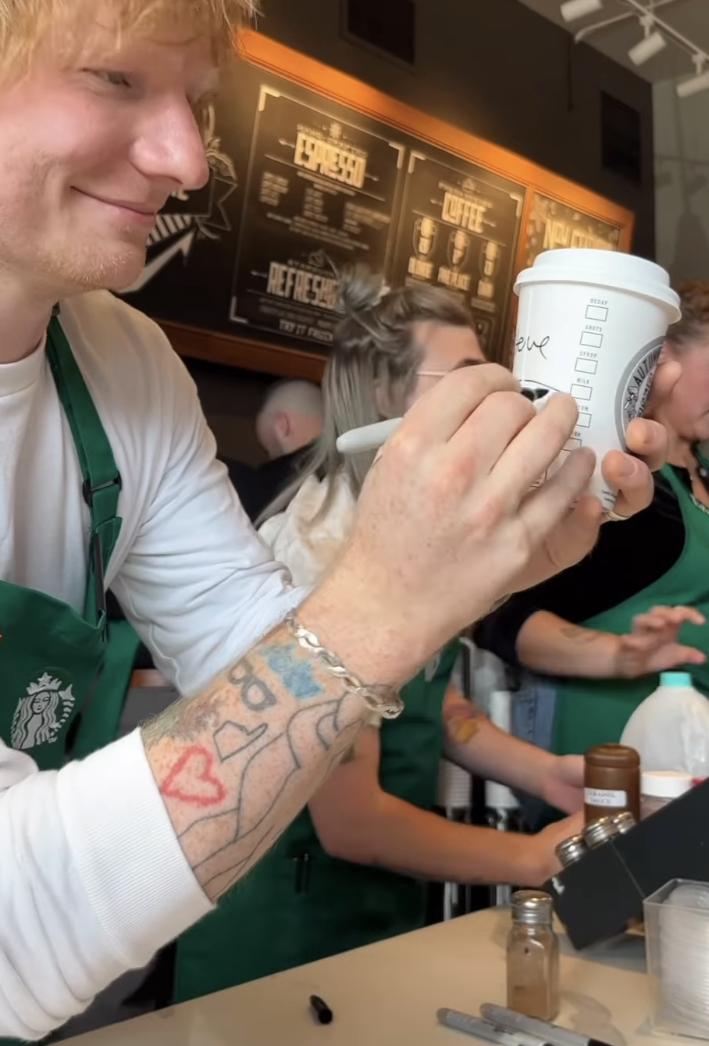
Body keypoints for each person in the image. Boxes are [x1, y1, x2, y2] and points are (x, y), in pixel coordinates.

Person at [0, 0, 667, 1045]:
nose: (188, 161)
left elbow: (271, 682)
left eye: (193, 99)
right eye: (113, 79)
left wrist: (497, 549)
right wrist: (389, 598)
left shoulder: (120, 362)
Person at [173, 277, 588, 1003]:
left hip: (374, 913)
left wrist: (546, 775)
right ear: (382, 398)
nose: (498, 408)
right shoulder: (318, 554)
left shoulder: (410, 535)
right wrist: (529, 857)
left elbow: (432, 704)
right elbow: (351, 820)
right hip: (286, 931)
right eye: (467, 384)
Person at [476, 279, 709, 770]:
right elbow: (500, 617)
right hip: (606, 749)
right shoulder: (614, 478)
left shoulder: (698, 478)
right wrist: (624, 654)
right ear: (664, 360)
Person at [225, 378, 323, 521]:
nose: (270, 459)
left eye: (269, 450)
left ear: (282, 426)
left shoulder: (249, 489)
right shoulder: (358, 476)